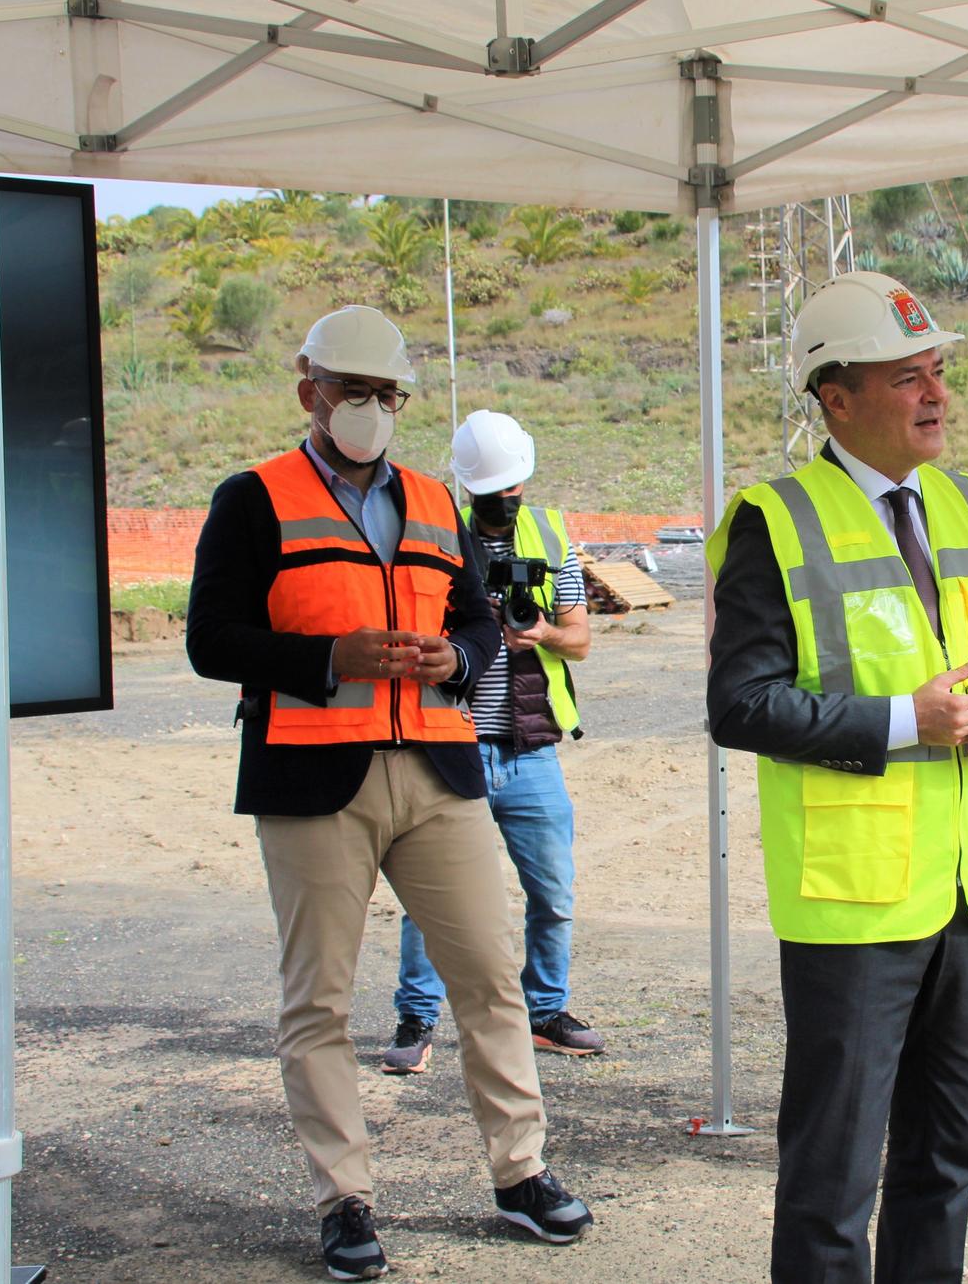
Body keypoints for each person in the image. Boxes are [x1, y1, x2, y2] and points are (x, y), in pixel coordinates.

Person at [186, 306, 592, 1279]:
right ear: (308, 393)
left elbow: (480, 626)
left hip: (437, 769)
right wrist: (330, 656)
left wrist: (457, 654)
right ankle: (346, 1198)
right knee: (318, 1002)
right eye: (351, 390)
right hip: (311, 772)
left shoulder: (427, 499)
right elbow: (211, 639)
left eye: (384, 393)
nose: (369, 408)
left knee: (490, 979)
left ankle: (520, 1171)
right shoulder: (252, 499)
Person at [706, 270, 968, 1283]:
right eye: (906, 377)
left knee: (945, 1156)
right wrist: (911, 721)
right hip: (854, 906)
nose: (935, 394)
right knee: (834, 1174)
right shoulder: (775, 520)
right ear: (835, 398)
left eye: (936, 370)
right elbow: (741, 704)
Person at [382, 409, 603, 1073]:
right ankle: (416, 1016)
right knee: (430, 895)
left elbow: (581, 639)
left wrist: (538, 635)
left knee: (555, 891)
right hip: (454, 744)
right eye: (491, 493)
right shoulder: (436, 536)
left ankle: (545, 1011)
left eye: (512, 489)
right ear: (469, 491)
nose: (505, 502)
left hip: (532, 746)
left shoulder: (550, 533)